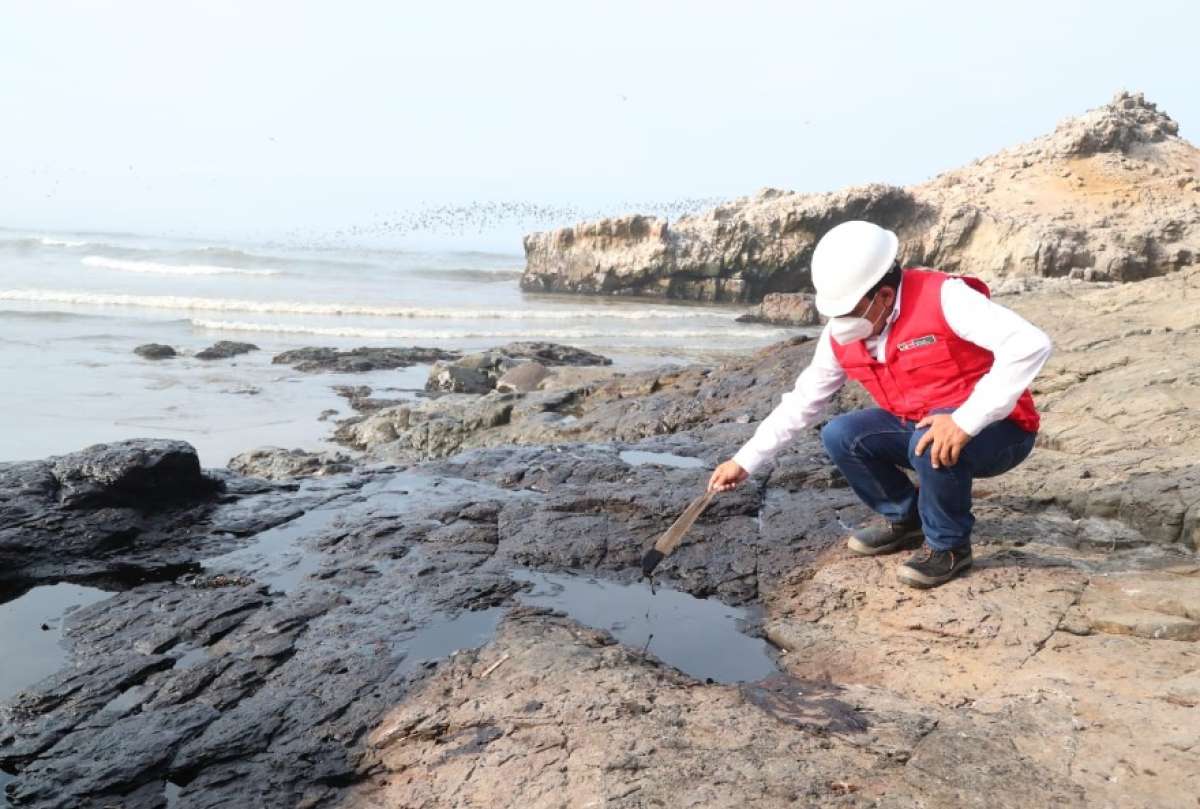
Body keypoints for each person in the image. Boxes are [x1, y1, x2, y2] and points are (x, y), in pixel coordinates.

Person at [708, 220, 1052, 588]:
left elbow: (1030, 344)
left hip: (999, 432)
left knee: (932, 438)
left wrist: (965, 421)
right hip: (923, 424)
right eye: (833, 314)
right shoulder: (842, 333)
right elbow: (804, 400)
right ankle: (907, 520)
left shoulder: (946, 297)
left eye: (848, 311)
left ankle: (949, 546)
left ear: (884, 296)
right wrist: (744, 461)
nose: (838, 324)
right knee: (841, 434)